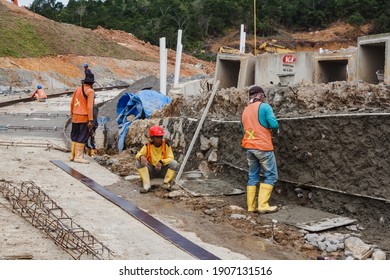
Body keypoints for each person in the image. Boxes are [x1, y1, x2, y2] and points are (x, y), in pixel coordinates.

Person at [241, 85, 279, 213]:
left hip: (250, 148)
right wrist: (276, 130)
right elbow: (273, 124)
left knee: (252, 176)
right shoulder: (265, 107)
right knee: (271, 176)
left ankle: (251, 207)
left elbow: (243, 130)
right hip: (263, 147)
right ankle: (262, 206)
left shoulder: (245, 110)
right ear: (261, 95)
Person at [135, 125, 179, 193]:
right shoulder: (147, 146)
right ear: (152, 138)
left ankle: (166, 183)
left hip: (162, 171)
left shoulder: (166, 145)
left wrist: (161, 162)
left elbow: (171, 158)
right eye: (157, 137)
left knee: (174, 163)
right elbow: (138, 154)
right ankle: (146, 186)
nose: (159, 139)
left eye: (161, 137)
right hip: (151, 171)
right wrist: (141, 156)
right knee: (138, 162)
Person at [69, 74, 95, 164]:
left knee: (75, 135)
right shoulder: (90, 91)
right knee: (83, 136)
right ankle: (78, 157)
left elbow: (72, 103)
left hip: (75, 116)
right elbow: (90, 107)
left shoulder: (77, 89)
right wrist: (90, 120)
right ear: (92, 83)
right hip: (83, 116)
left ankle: (72, 155)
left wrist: (72, 114)